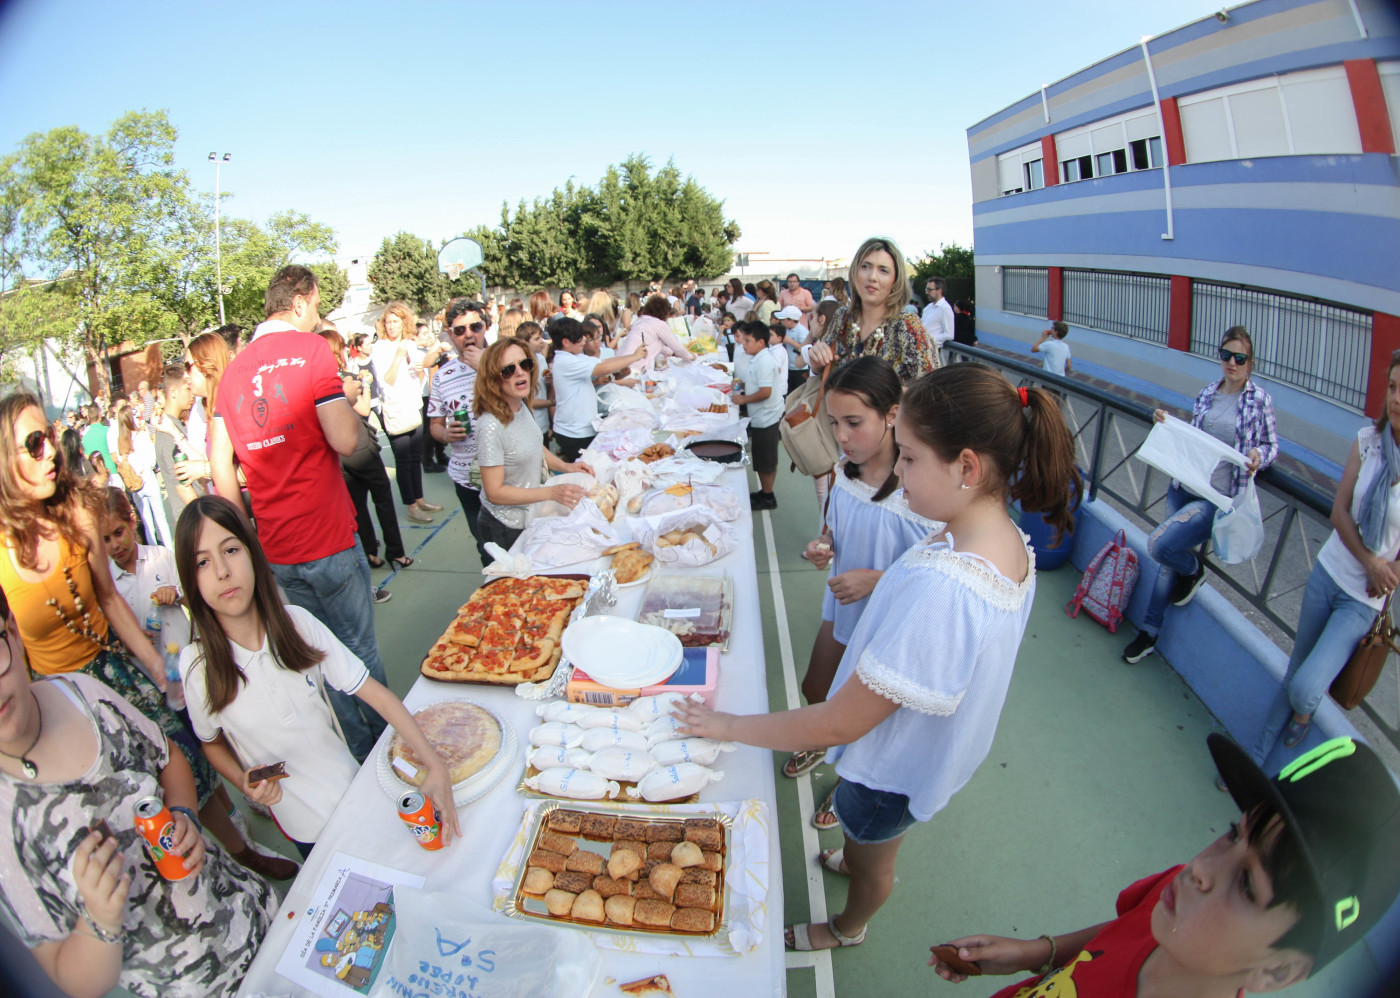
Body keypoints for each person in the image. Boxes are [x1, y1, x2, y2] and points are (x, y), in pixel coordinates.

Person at [673, 364, 1080, 952]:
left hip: (891, 771)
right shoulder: (995, 535)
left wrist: (727, 724)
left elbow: (841, 720)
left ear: (967, 467)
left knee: (873, 860)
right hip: (915, 753)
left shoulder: (951, 588)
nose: (900, 471)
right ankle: (855, 852)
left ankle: (848, 924)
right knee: (866, 839)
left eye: (910, 459)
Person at [0, 393, 280, 878]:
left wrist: (159, 673)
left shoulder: (77, 513)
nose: (51, 451)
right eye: (34, 442)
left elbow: (109, 599)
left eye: (49, 437)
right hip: (55, 695)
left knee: (188, 763)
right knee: (120, 799)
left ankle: (239, 852)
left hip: (116, 671)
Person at [931, 733, 1400, 998]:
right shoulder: (1173, 906)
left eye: (1246, 884)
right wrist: (1034, 952)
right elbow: (1119, 934)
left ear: (1276, 973)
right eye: (1233, 834)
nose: (1202, 868)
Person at [0, 588, 278, 998]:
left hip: (255, 911)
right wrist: (98, 921)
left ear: (13, 632)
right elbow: (70, 978)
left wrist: (184, 812)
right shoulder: (7, 828)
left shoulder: (84, 694)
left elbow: (169, 758)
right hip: (201, 988)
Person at [175, 495, 459, 857]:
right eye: (202, 561)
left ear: (252, 551)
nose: (221, 572)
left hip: (356, 790)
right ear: (189, 578)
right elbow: (211, 742)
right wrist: (244, 782)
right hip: (303, 828)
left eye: (230, 550)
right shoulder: (197, 667)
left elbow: (378, 696)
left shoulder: (297, 624)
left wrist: (434, 765)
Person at [210, 264, 392, 762]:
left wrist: (245, 536)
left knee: (317, 658)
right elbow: (344, 439)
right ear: (300, 301)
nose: (317, 317)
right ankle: (389, 751)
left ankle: (359, 753)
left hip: (276, 547)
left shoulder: (232, 372)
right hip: (327, 535)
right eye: (316, 306)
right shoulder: (311, 351)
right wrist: (347, 400)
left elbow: (219, 467)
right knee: (359, 653)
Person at [99, 487, 296, 875]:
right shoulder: (106, 584)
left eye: (118, 532)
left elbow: (204, 596)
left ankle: (249, 786)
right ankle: (230, 818)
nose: (114, 545)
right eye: (104, 539)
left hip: (188, 664)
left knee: (224, 732)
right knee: (196, 751)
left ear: (132, 522)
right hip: (160, 686)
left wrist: (180, 597)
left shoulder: (162, 558)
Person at [786, 357, 937, 802]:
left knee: (866, 718)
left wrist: (878, 580)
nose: (841, 436)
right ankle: (821, 741)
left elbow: (941, 574)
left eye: (854, 422)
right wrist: (823, 545)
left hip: (889, 627)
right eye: (834, 422)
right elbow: (834, 529)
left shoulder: (921, 493)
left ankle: (850, 781)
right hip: (843, 611)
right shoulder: (841, 472)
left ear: (893, 414)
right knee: (816, 686)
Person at [1245, 349, 1400, 763]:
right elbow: (1339, 511)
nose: (1397, 398)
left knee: (1306, 687)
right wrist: (1372, 561)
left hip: (1362, 601)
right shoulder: (1368, 443)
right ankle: (1257, 759)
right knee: (1294, 672)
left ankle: (1303, 712)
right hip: (1329, 572)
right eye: (1393, 387)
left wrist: (1390, 570)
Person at [1123, 327, 1277, 664]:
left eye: (1239, 358)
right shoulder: (1208, 392)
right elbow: (1195, 438)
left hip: (1215, 499)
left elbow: (1270, 445)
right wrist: (1164, 423)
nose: (1231, 363)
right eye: (1226, 355)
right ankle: (1149, 632)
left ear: (1251, 362)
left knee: (1159, 546)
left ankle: (1192, 568)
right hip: (1184, 487)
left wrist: (1258, 458)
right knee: (1165, 562)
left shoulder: (1259, 400)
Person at [472, 337, 593, 552]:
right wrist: (551, 493)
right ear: (493, 379)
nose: (519, 372)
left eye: (524, 364)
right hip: (505, 525)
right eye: (508, 370)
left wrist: (567, 467)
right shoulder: (490, 425)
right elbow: (495, 492)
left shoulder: (520, 406)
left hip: (529, 514)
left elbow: (535, 445)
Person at [318, 325, 409, 583]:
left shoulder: (316, 386)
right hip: (358, 446)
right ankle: (396, 552)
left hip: (338, 453)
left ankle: (370, 551)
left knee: (356, 503)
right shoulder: (344, 378)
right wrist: (363, 386)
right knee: (382, 497)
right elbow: (364, 408)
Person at [806, 237, 939, 385]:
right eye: (865, 267)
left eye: (883, 270)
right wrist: (817, 363)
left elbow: (930, 391)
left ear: (895, 281)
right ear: (855, 273)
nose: (872, 277)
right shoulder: (842, 318)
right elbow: (825, 370)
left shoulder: (907, 327)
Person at [428, 298, 491, 564]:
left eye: (474, 327)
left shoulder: (507, 360)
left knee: (521, 540)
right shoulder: (443, 375)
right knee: (485, 546)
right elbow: (435, 425)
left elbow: (523, 404)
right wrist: (445, 435)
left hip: (509, 472)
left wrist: (485, 367)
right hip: (467, 477)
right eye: (459, 330)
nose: (468, 335)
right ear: (450, 336)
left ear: (485, 327)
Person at [370, 301, 439, 524]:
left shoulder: (409, 343)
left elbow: (418, 372)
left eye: (395, 322)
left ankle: (419, 499)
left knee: (414, 457)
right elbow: (386, 381)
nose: (391, 326)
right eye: (388, 322)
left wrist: (429, 356)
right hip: (395, 409)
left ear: (403, 323)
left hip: (412, 405)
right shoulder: (380, 348)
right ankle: (411, 506)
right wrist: (399, 356)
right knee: (403, 459)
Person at [549, 317, 647, 463]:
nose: (584, 341)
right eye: (579, 338)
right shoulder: (566, 362)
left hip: (581, 428)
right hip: (574, 433)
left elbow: (604, 362)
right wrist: (635, 356)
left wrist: (632, 356)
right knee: (588, 470)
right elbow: (603, 368)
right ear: (566, 342)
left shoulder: (575, 357)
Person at [732, 322, 786, 511]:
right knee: (764, 458)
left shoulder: (764, 361)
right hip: (761, 416)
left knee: (766, 460)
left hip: (767, 418)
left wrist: (744, 399)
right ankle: (765, 491)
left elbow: (765, 392)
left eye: (747, 340)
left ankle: (768, 496)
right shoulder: (757, 358)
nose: (743, 344)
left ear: (761, 342)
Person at [152, 363, 201, 529]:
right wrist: (207, 518)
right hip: (194, 518)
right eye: (187, 389)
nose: (192, 394)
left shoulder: (175, 425)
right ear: (173, 392)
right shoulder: (168, 433)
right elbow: (182, 485)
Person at [183, 331, 230, 494]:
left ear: (207, 365)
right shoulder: (210, 409)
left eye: (188, 367)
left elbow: (252, 469)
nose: (185, 376)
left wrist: (205, 470)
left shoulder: (232, 407)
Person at [619, 293, 695, 374]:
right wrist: (691, 357)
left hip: (619, 363)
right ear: (664, 312)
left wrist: (671, 353)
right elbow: (677, 347)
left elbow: (652, 343)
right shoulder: (659, 324)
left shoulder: (640, 320)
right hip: (633, 368)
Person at [775, 305, 809, 393]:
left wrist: (790, 341)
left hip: (800, 369)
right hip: (789, 368)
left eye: (783, 319)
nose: (781, 321)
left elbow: (805, 348)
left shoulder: (802, 331)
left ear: (791, 320)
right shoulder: (786, 330)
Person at [921, 276, 955, 355]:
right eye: (926, 289)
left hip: (932, 352)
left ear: (939, 291)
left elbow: (949, 335)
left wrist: (928, 339)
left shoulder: (945, 308)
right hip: (922, 350)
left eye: (929, 290)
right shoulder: (928, 307)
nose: (926, 292)